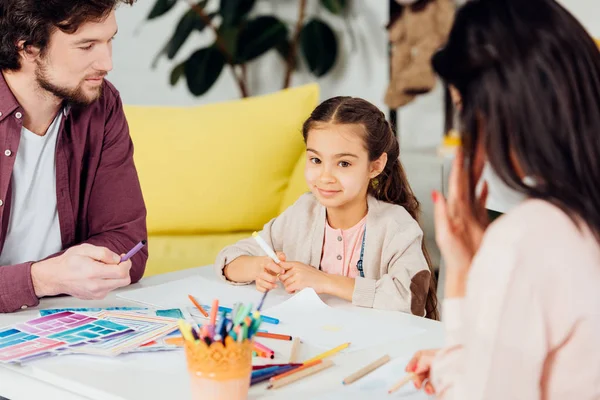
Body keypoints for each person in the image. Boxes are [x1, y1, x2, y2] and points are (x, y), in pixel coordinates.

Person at [406, 0, 600, 398]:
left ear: (499, 110)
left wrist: (460, 274)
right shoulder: (577, 218)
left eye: (464, 109)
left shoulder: (525, 239)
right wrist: (457, 360)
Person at [215, 97, 438, 318]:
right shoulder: (302, 212)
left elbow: (411, 299)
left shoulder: (396, 225)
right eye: (316, 160)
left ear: (375, 165)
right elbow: (228, 259)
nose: (325, 177)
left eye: (344, 163)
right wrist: (257, 267)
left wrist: (325, 281)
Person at [0, 0, 148, 313]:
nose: (107, 63)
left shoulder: (102, 105)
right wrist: (40, 279)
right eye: (86, 46)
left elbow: (128, 241)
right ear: (28, 47)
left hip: (58, 320)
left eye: (110, 41)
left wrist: (83, 272)